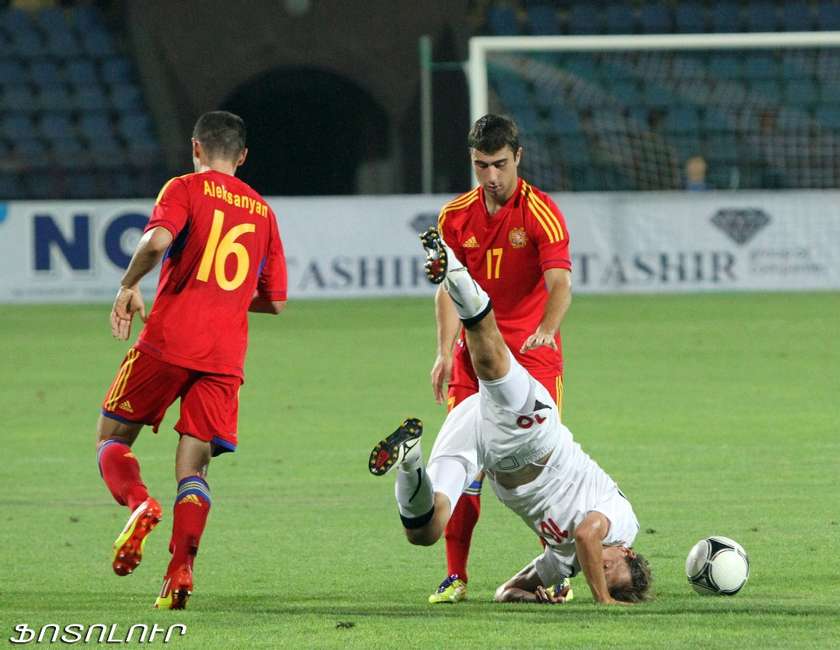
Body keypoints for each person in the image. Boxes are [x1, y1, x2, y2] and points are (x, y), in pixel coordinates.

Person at [369, 233, 650, 605]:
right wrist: (604, 600)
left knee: (425, 530)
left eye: (602, 574)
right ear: (627, 551)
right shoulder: (623, 522)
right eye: (610, 566)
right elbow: (585, 534)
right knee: (489, 361)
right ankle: (455, 270)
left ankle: (410, 460)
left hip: (486, 450)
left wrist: (535, 599)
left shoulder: (564, 563)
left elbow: (506, 592)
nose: (599, 564)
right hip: (535, 436)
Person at [96, 111, 287, 609]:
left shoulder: (183, 187)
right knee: (194, 469)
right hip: (224, 356)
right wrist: (226, 297)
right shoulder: (263, 212)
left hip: (169, 341)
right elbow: (275, 300)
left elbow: (157, 240)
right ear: (242, 157)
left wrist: (128, 284)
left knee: (111, 438)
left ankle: (139, 502)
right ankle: (180, 571)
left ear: (196, 147)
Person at [428, 114, 572, 603]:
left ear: (518, 158)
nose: (491, 176)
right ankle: (455, 576)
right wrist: (444, 351)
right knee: (463, 466)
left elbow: (560, 283)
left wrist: (546, 328)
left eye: (500, 164)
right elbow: (449, 289)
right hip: (474, 361)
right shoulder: (454, 216)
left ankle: (558, 573)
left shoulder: (541, 213)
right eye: (481, 165)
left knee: (541, 468)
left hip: (532, 360)